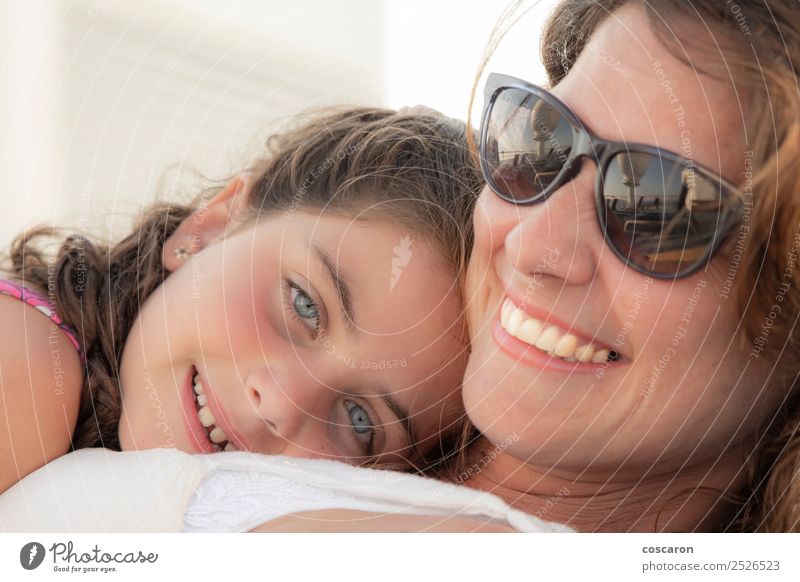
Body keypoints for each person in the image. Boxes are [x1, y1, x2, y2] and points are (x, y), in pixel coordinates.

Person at [0, 107, 482, 494]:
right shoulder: (29, 362)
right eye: (305, 304)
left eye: (360, 421)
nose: (280, 402)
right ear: (209, 227)